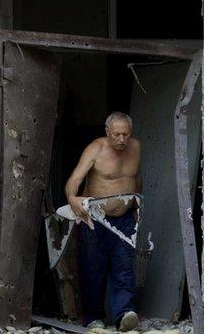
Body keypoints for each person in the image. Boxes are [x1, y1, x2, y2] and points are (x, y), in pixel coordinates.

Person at [64, 111, 142, 331]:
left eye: (125, 134)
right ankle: (93, 317)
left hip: (125, 219)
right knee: (93, 268)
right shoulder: (95, 149)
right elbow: (74, 179)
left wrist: (137, 205)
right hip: (95, 218)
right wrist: (72, 198)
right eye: (116, 134)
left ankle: (124, 313)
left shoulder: (135, 147)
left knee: (124, 266)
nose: (121, 140)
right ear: (107, 132)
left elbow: (136, 177)